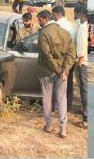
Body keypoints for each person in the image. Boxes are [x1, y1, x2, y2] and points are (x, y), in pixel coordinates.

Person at [37, 10, 76, 138]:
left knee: (47, 98)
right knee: (62, 99)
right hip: (62, 73)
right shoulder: (66, 33)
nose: (38, 22)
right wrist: (64, 71)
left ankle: (48, 126)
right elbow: (72, 55)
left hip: (47, 71)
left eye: (39, 19)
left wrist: (59, 71)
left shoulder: (44, 33)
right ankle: (63, 128)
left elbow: (46, 56)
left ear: (45, 19)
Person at [52, 6, 78, 113]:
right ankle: (68, 107)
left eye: (53, 15)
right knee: (69, 84)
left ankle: (57, 107)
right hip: (71, 58)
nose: (53, 17)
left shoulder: (58, 26)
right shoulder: (72, 26)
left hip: (60, 59)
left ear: (57, 14)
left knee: (57, 83)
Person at [74, 3, 88, 127]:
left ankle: (86, 118)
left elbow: (82, 46)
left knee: (84, 90)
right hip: (83, 61)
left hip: (82, 62)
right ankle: (85, 111)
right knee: (84, 89)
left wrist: (79, 60)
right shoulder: (84, 26)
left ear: (81, 14)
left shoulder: (83, 28)